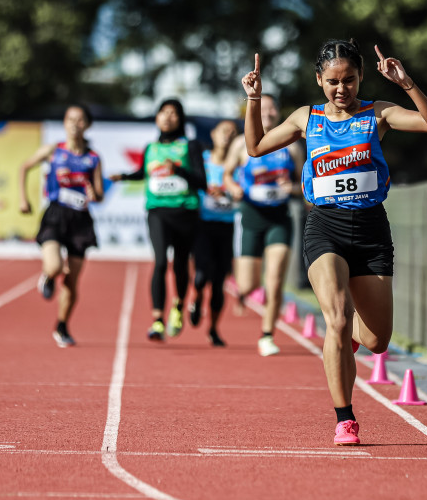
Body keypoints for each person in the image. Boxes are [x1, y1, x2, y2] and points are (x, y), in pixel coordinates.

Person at [241, 39, 427, 446]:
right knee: (335, 319)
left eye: (349, 80)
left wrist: (406, 84)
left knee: (377, 341)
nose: (341, 89)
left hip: (371, 230)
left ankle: (344, 337)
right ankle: (345, 418)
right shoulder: (307, 117)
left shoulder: (378, 113)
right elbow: (255, 147)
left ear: (360, 77)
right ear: (319, 80)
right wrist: (254, 99)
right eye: (333, 81)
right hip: (325, 226)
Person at [111, 99, 207, 341]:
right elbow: (142, 173)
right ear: (157, 117)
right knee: (161, 262)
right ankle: (157, 320)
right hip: (157, 212)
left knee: (181, 265)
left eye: (173, 113)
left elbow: (201, 182)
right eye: (163, 112)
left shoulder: (190, 146)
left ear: (180, 119)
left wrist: (178, 170)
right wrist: (123, 176)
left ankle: (178, 305)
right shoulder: (150, 148)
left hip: (185, 212)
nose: (167, 117)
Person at [223, 94, 305, 357]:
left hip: (279, 218)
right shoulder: (241, 143)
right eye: (263, 108)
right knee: (247, 284)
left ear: (278, 112)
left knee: (275, 279)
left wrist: (292, 188)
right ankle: (243, 293)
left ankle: (267, 335)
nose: (268, 113)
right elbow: (227, 174)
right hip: (250, 216)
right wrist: (233, 187)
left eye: (272, 109)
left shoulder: (291, 146)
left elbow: (306, 182)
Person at [19, 104, 104, 348]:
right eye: (70, 119)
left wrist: (94, 194)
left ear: (87, 125)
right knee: (55, 265)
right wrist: (24, 199)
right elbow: (24, 167)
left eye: (80, 120)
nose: (75, 124)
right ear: (65, 123)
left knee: (71, 281)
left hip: (80, 221)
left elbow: (99, 194)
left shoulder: (93, 158)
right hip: (56, 215)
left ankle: (62, 325)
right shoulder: (53, 150)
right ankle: (48, 276)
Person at [191, 119, 239, 347]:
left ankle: (213, 329)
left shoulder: (237, 164)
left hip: (226, 227)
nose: (227, 136)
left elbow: (242, 191)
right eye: (223, 131)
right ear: (213, 134)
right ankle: (197, 297)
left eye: (232, 133)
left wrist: (228, 194)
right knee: (202, 275)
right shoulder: (202, 161)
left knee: (219, 282)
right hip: (202, 225)